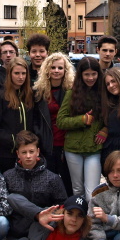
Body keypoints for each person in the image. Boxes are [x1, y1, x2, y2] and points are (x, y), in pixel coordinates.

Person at [57, 56, 105, 200]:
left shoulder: (103, 93)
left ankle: (91, 214)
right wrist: (82, 120)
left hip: (93, 149)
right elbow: (61, 121)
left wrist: (105, 129)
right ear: (81, 75)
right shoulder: (71, 93)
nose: (90, 78)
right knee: (77, 190)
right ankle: (79, 214)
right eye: (86, 74)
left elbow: (110, 116)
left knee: (91, 193)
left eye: (93, 74)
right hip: (73, 149)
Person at [4, 131, 67, 238]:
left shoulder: (52, 178)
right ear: (18, 154)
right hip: (16, 231)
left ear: (38, 152)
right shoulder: (8, 176)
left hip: (43, 230)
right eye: (24, 152)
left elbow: (62, 205)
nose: (28, 156)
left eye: (31, 151)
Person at [0, 56, 39, 173]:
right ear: (10, 74)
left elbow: (36, 119)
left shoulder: (30, 95)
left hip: (28, 151)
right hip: (8, 152)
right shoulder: (2, 95)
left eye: (23, 73)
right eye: (17, 73)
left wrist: (34, 139)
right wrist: (12, 140)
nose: (21, 77)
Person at [33, 52, 75, 190]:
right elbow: (35, 118)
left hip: (67, 142)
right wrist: (39, 136)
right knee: (49, 181)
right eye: (53, 67)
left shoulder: (71, 91)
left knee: (68, 182)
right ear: (47, 70)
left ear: (65, 70)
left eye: (60, 68)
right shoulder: (39, 92)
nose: (56, 71)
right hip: (47, 142)